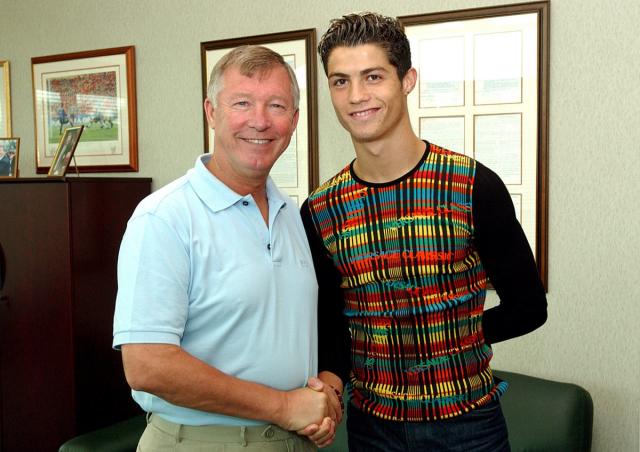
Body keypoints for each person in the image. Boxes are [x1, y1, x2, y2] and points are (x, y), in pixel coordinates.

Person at [301, 12, 548, 451]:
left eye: (372, 76)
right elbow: (333, 325)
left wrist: (446, 337)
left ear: (407, 80)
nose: (356, 96)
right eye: (340, 81)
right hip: (371, 427)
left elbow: (529, 307)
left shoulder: (472, 185)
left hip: (469, 424)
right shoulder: (321, 209)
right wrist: (330, 388)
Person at [113, 45, 341, 451]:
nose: (259, 120)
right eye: (241, 103)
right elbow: (147, 365)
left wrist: (323, 400)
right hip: (201, 441)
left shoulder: (293, 215)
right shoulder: (164, 218)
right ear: (211, 112)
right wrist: (284, 406)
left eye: (276, 105)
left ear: (294, 121)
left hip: (296, 440)